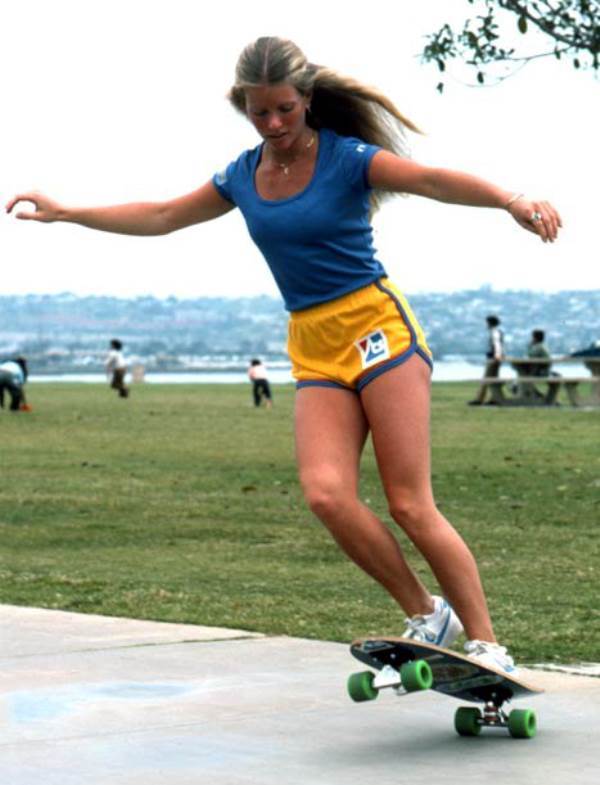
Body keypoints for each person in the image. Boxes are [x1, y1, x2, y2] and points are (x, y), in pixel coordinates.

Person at [6, 36, 563, 672]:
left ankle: (488, 643)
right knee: (326, 495)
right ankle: (426, 611)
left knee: (410, 502)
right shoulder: (242, 175)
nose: (272, 124)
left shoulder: (349, 159)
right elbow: (161, 214)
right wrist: (69, 212)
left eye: (285, 110)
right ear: (243, 105)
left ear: (306, 100)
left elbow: (432, 180)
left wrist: (509, 201)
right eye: (259, 112)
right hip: (313, 342)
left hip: (379, 330)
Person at [468, 315, 505, 406]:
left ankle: (479, 399)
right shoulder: (498, 331)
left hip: (493, 358)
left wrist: (496, 356)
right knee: (494, 379)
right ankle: (494, 398)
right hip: (497, 358)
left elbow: (497, 345)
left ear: (490, 323)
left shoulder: (495, 332)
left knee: (486, 379)